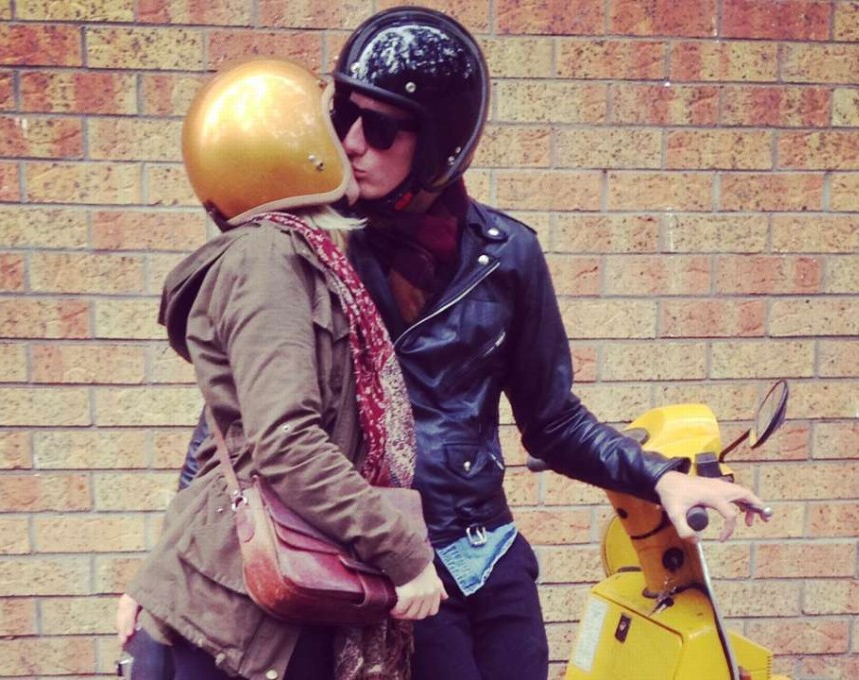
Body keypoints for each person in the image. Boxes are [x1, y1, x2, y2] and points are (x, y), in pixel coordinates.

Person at [324, 7, 769, 680]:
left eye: (382, 127)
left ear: (440, 141)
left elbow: (553, 422)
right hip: (394, 564)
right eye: (344, 117)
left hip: (488, 551)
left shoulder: (507, 255)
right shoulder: (320, 253)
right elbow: (255, 418)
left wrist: (663, 478)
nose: (354, 143)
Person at [116, 57, 446, 680]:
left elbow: (233, 439)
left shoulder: (295, 257)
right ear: (288, 148)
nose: (349, 143)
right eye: (332, 126)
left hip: (241, 604)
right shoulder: (269, 258)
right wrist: (403, 551)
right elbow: (285, 443)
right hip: (232, 620)